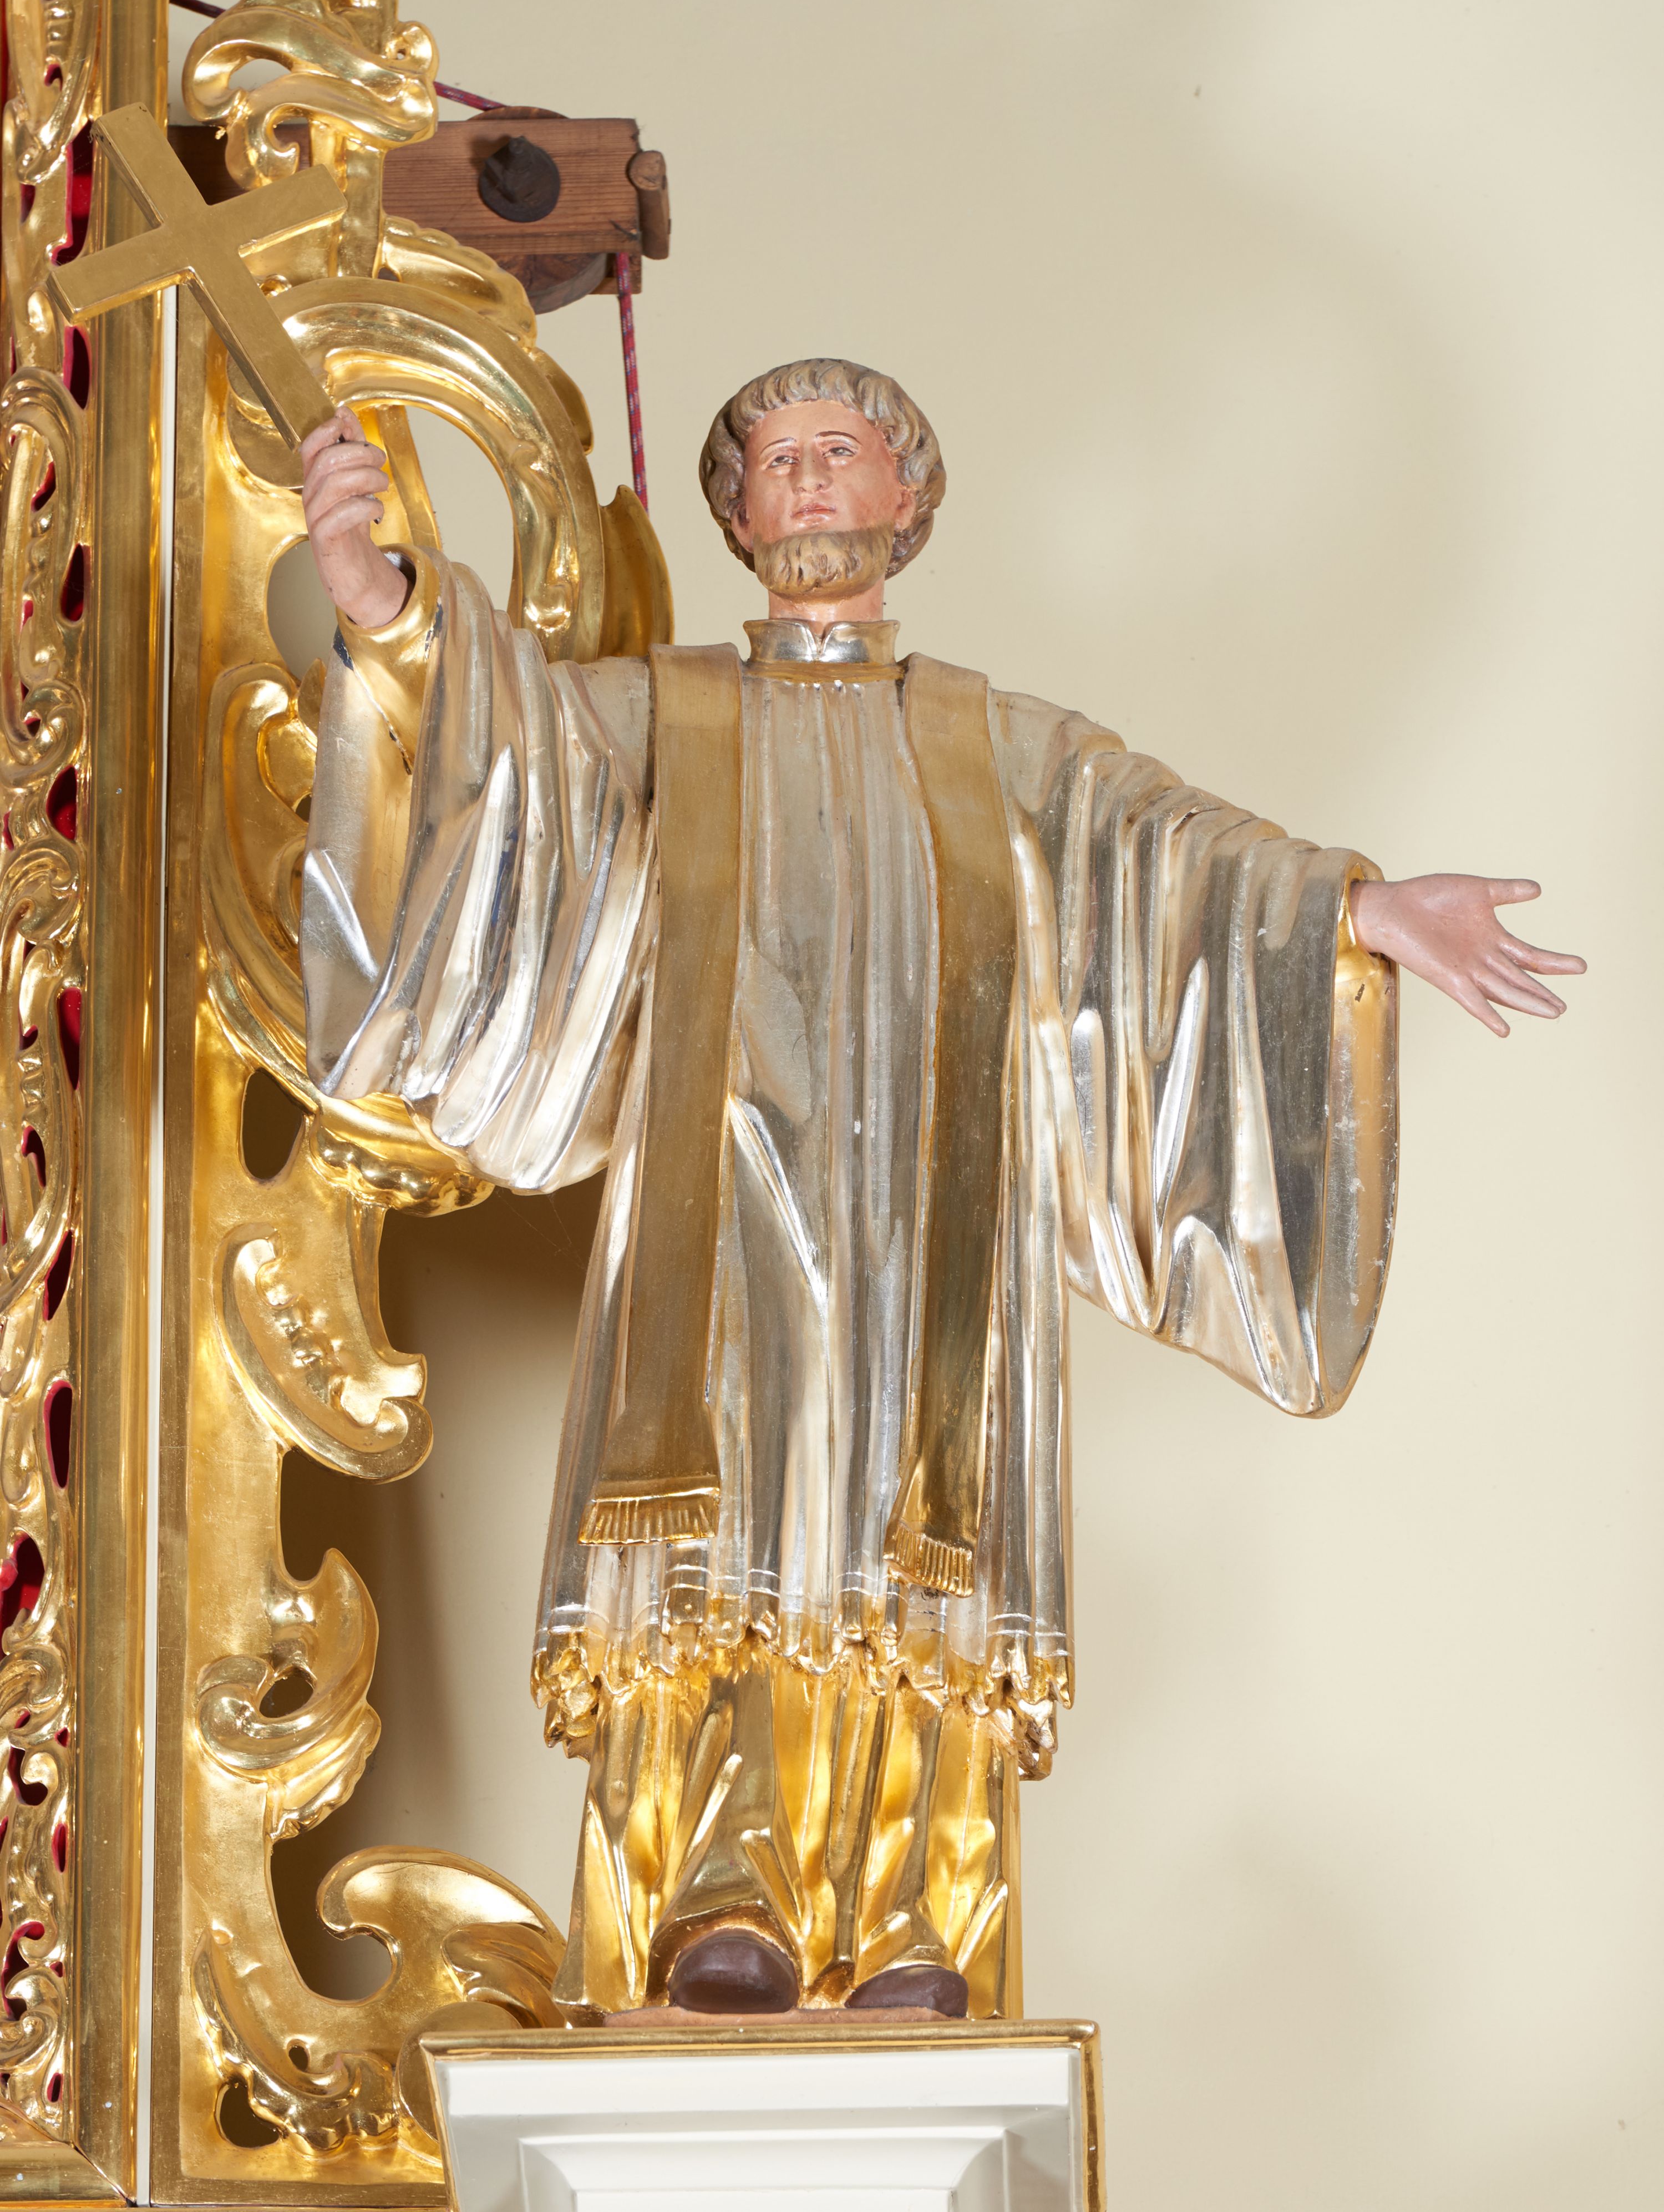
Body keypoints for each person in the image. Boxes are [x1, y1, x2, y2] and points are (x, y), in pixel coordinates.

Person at [297, 361, 1582, 2020]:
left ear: (907, 497)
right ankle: (722, 1899)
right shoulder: (657, 714)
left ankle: (919, 1913)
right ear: (735, 512)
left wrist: (1355, 911)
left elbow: (1168, 855)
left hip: (937, 1229)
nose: (808, 478)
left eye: (841, 450)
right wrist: (388, 606)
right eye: (776, 457)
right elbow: (504, 755)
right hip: (717, 1225)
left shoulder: (1003, 742)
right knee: (734, 1522)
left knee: (921, 1524)